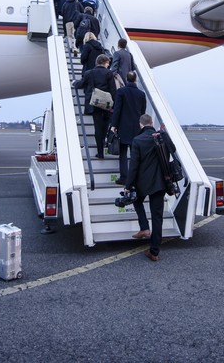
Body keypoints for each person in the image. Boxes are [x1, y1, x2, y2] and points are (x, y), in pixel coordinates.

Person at [125, 113, 173, 261]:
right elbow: (174, 150)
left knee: (137, 201)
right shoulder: (160, 136)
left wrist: (128, 186)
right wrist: (163, 134)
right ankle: (154, 252)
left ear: (141, 125)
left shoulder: (137, 140)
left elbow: (133, 166)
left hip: (143, 183)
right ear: (151, 123)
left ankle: (144, 227)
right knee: (157, 217)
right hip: (160, 182)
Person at [72, 54, 116, 159]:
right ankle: (104, 141)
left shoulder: (89, 73)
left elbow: (81, 84)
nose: (108, 65)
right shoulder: (109, 73)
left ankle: (100, 153)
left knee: (97, 128)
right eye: (108, 63)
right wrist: (114, 105)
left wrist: (74, 83)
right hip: (107, 105)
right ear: (104, 62)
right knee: (105, 126)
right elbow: (113, 90)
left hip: (95, 104)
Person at [109, 70, 146, 186]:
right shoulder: (141, 94)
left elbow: (117, 110)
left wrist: (113, 125)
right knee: (135, 155)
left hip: (123, 127)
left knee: (123, 154)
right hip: (136, 128)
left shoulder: (121, 92)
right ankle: (135, 178)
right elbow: (142, 112)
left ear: (126, 79)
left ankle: (124, 178)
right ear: (135, 80)